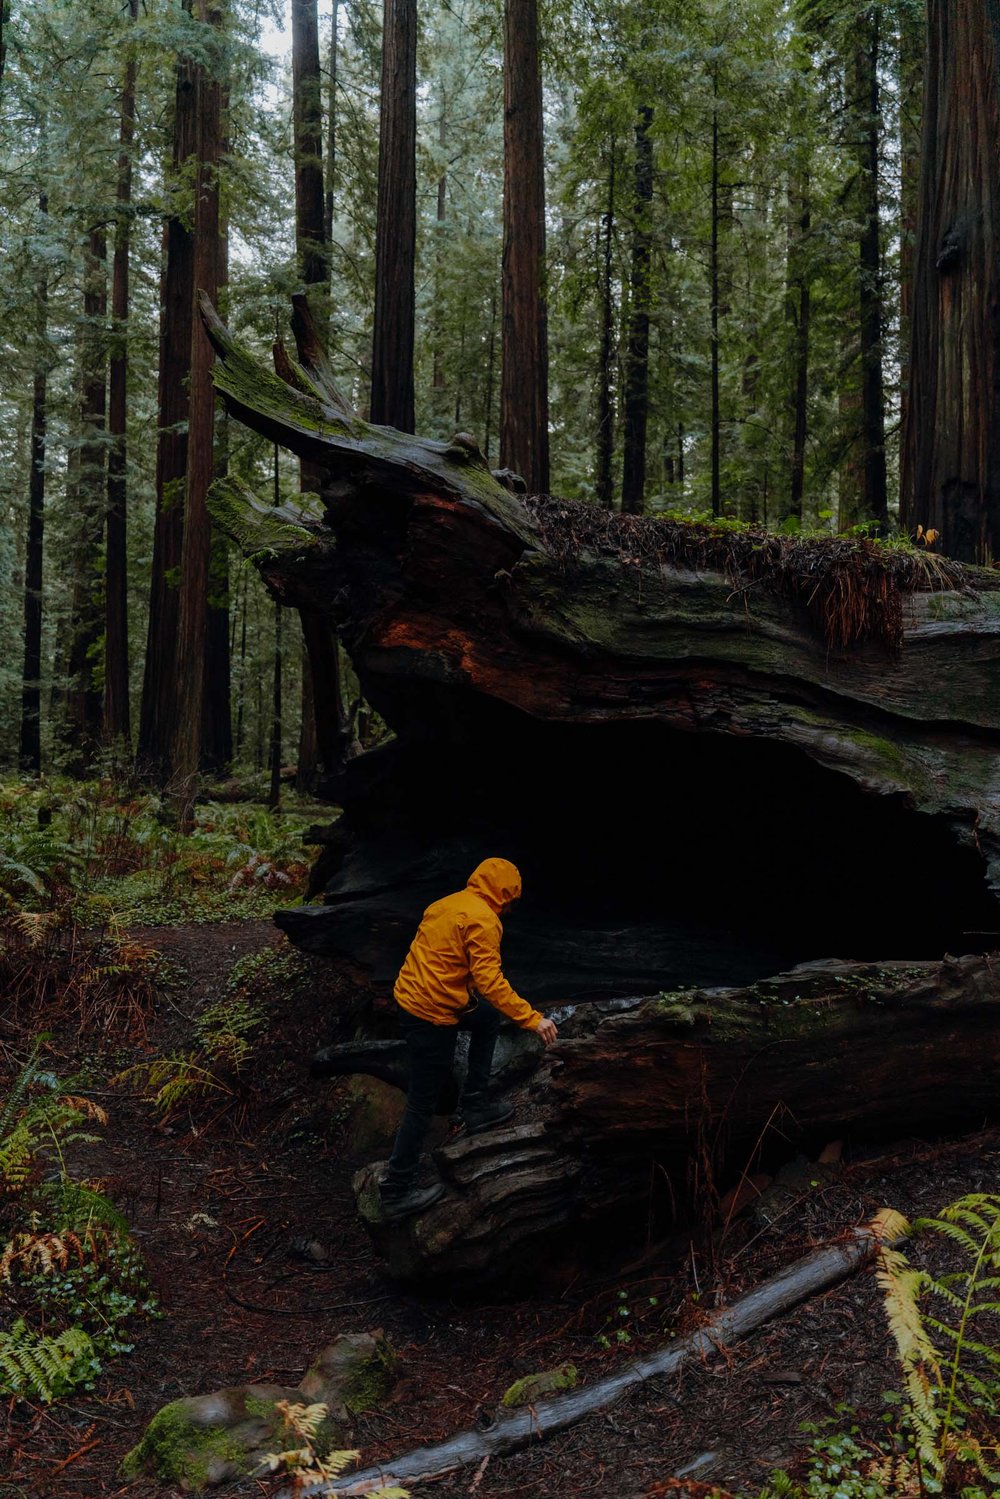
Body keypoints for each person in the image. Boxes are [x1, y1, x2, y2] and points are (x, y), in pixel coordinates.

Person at [379, 857, 558, 1221]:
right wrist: (532, 1019)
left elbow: (446, 961)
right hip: (430, 1016)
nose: (511, 907)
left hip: (411, 999)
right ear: (505, 894)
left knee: (486, 1019)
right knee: (422, 1102)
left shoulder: (445, 903)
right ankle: (396, 1190)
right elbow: (490, 981)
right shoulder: (484, 920)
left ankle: (475, 1105)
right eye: (511, 899)